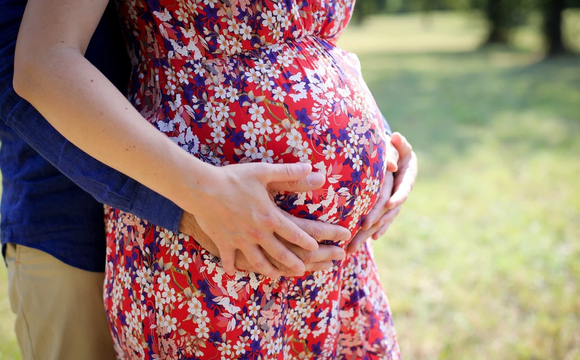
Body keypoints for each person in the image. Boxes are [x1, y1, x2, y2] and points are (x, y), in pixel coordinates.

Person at [12, 0, 418, 358]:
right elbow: (41, 61)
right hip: (208, 238)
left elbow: (313, 41)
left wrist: (376, 140)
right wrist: (195, 196)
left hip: (333, 263)